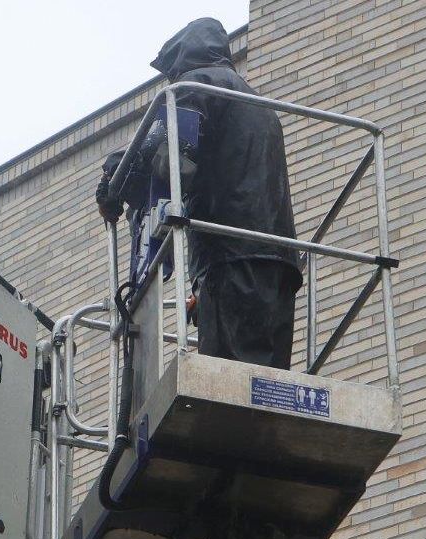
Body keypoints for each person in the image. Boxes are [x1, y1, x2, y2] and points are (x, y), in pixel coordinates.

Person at [99, 18, 303, 370]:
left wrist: (115, 178)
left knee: (229, 380)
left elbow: (167, 150)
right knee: (267, 379)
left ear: (183, 57)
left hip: (230, 258)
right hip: (280, 264)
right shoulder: (257, 104)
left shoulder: (197, 85)